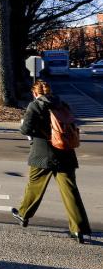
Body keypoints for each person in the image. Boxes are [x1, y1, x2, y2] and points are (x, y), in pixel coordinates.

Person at [11, 80, 91, 243]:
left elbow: (25, 130)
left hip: (42, 154)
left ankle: (23, 214)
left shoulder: (35, 106)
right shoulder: (62, 104)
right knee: (70, 190)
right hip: (65, 152)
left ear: (35, 93)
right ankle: (78, 230)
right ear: (49, 92)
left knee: (34, 185)